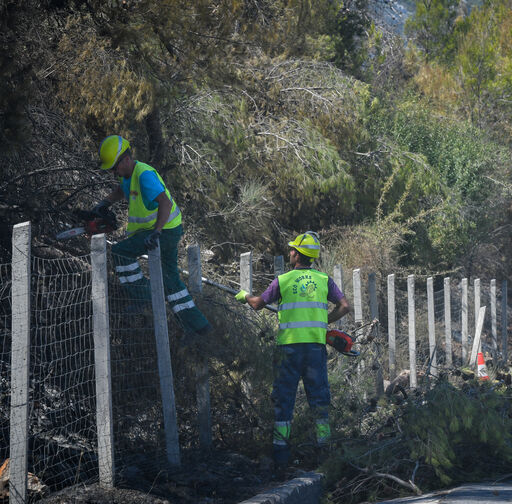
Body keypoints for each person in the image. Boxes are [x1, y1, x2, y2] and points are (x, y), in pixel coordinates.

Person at [236, 231, 350, 473]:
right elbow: (345, 306)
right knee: (319, 400)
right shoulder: (324, 280)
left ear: (298, 255)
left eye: (292, 250)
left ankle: (281, 456)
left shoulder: (284, 280)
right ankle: (324, 451)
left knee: (283, 400)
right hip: (315, 349)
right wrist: (324, 321)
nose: (289, 252)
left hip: (288, 350)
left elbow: (257, 304)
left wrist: (244, 295)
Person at [92, 135, 211, 336]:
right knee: (171, 279)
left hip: (163, 231)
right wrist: (104, 203)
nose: (113, 172)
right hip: (167, 229)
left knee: (121, 253)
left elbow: (164, 202)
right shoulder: (128, 174)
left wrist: (156, 232)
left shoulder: (144, 175)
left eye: (114, 167)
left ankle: (143, 297)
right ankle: (199, 327)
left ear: (126, 159)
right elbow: (122, 188)